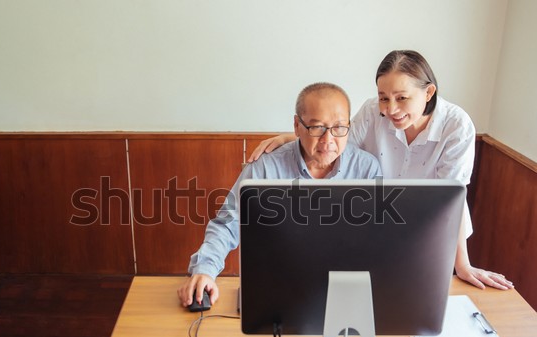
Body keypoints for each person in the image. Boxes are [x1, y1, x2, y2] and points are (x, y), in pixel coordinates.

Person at [248, 50, 513, 291]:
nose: (391, 109)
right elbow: (335, 146)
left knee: (422, 301)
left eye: (402, 98)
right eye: (384, 98)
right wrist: (296, 138)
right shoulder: (373, 113)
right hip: (381, 224)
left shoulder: (456, 127)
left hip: (432, 227)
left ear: (429, 92)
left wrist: (462, 265)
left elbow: (451, 200)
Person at [178, 82, 382, 307]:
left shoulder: (367, 169)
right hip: (277, 288)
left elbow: (376, 239)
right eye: (317, 128)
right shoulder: (266, 168)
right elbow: (228, 223)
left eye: (339, 128)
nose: (328, 140)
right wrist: (205, 270)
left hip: (344, 292)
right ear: (297, 125)